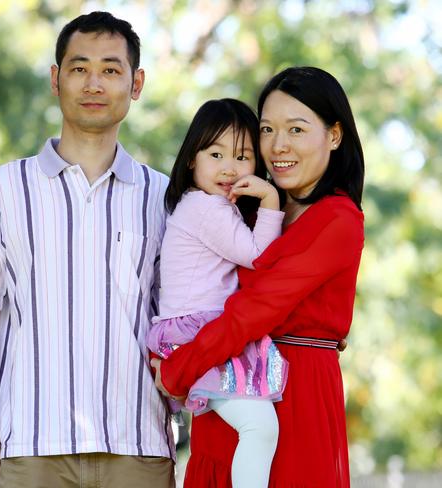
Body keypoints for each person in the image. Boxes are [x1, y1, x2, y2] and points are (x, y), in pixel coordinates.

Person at [0, 11, 175, 488]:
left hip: (139, 447)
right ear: (56, 80)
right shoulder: (4, 189)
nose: (94, 83)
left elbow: (184, 316)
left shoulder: (165, 198)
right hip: (31, 447)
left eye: (111, 70)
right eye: (79, 68)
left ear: (136, 84)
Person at [152, 66, 365, 487]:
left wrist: (180, 368)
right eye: (267, 129)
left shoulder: (337, 218)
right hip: (229, 381)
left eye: (297, 129)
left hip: (294, 395)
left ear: (334, 136)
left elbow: (255, 308)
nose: (278, 145)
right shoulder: (247, 211)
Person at [145, 98, 288, 487]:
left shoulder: (196, 205)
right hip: (198, 334)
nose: (230, 167)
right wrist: (272, 199)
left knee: (250, 431)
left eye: (242, 156)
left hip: (195, 330)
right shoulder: (208, 208)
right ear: (193, 158)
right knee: (260, 429)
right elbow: (259, 255)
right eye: (216, 153)